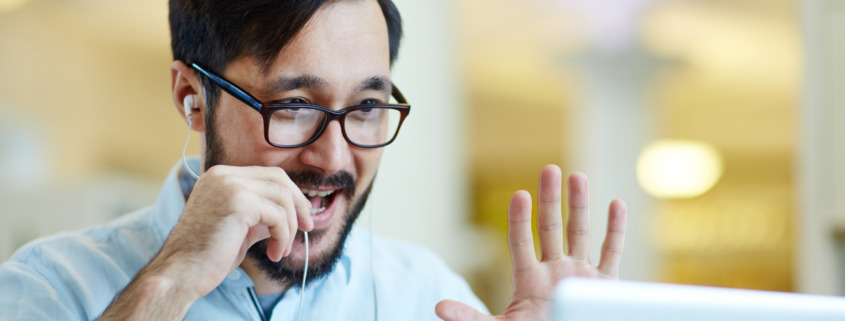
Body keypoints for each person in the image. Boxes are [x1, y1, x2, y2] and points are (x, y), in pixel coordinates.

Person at [0, 0, 628, 320]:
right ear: (193, 98)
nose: (334, 156)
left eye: (365, 107)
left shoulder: (428, 297)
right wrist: (169, 282)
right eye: (296, 104)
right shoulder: (52, 287)